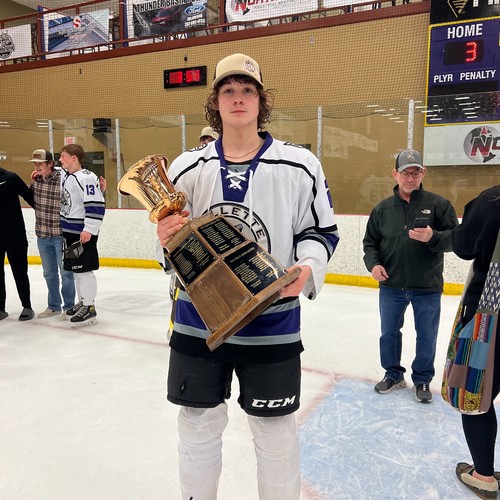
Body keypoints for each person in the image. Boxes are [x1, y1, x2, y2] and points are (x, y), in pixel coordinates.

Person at [156, 53, 339, 499]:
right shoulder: (185, 168)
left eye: (247, 90)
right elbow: (171, 245)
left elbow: (320, 232)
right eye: (228, 90)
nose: (238, 98)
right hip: (198, 322)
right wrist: (163, 238)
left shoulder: (299, 165)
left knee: (275, 432)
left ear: (261, 100)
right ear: (215, 102)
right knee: (197, 425)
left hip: (272, 322)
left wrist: (307, 267)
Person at [363, 149, 458, 403]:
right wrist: (373, 265)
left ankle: (423, 379)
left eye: (415, 173)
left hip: (427, 286)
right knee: (389, 333)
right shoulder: (382, 209)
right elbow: (370, 244)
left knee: (427, 335)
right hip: (391, 285)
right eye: (405, 173)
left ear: (423, 173)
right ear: (395, 174)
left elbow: (456, 240)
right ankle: (393, 374)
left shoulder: (439, 205)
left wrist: (434, 237)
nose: (410, 178)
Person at [452, 185, 500, 499]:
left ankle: (483, 475)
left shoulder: (491, 201)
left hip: (490, 317)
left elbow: (464, 245)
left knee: (476, 393)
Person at [59, 144, 105, 327]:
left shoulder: (86, 178)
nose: (60, 160)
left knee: (84, 271)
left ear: (74, 158)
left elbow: (96, 205)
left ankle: (89, 307)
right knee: (77, 271)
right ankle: (83, 301)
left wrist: (89, 229)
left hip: (82, 233)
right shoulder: (68, 175)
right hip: (71, 232)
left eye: (63, 156)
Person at [29, 149, 76, 318]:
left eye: (40, 163)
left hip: (60, 235)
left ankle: (69, 307)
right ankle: (54, 305)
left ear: (50, 164)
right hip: (42, 235)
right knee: (49, 273)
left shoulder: (63, 178)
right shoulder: (35, 181)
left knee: (66, 273)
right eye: (35, 164)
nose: (37, 167)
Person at [0, 167, 35, 321]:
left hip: (15, 234)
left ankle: (27, 306)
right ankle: (0, 308)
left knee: (20, 271)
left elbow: (29, 197)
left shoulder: (11, 177)